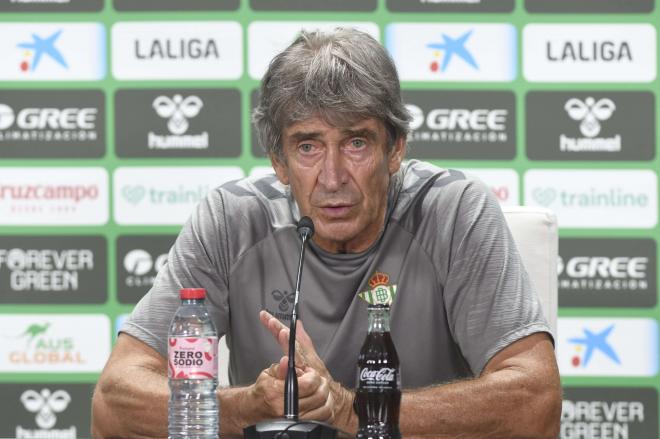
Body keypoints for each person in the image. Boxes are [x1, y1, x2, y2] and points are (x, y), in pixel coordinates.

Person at [92, 28, 561, 438]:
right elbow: (114, 401)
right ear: (279, 160)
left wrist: (348, 410)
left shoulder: (453, 211)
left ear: (394, 149)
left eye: (356, 142)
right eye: (308, 146)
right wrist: (245, 409)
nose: (333, 177)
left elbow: (536, 403)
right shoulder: (232, 218)